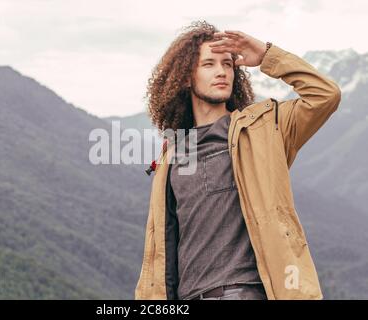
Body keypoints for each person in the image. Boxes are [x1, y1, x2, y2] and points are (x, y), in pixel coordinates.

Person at [135, 21, 341, 300]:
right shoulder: (171, 155)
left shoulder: (265, 130)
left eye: (228, 64)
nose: (221, 72)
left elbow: (325, 95)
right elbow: (161, 247)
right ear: (185, 77)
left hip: (246, 293)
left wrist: (266, 55)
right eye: (209, 64)